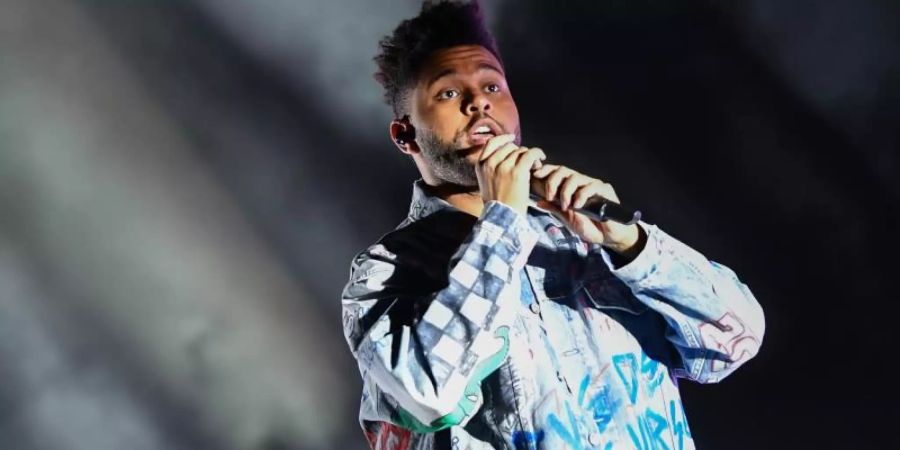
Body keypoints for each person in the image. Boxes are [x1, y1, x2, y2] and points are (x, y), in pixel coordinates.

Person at [341, 1, 765, 449]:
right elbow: (425, 392)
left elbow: (737, 338)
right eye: (448, 93)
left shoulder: (587, 238)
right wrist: (501, 219)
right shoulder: (385, 271)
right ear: (405, 135)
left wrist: (633, 245)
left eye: (493, 86)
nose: (479, 101)